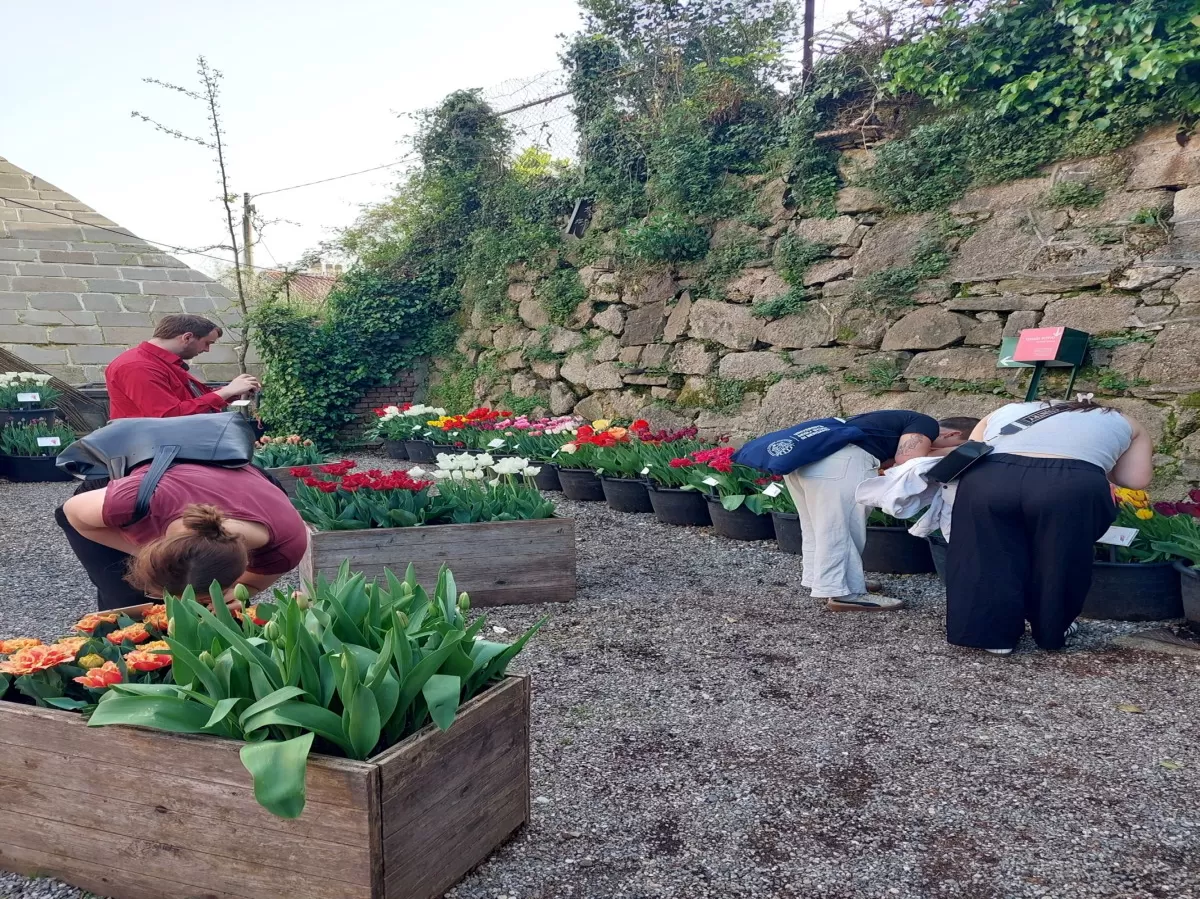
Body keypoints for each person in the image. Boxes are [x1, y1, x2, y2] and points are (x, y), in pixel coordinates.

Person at [945, 396, 1153, 655]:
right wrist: (1100, 461)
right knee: (1060, 557)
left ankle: (993, 637)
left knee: (985, 554)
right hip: (1069, 484)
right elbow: (1135, 479)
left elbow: (973, 450)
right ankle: (1053, 629)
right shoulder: (1126, 422)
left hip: (990, 479)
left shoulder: (1009, 410)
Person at [783, 411, 978, 613]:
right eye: (960, 446)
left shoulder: (890, 424)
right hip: (838, 464)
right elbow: (907, 460)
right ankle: (845, 594)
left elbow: (888, 461)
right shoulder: (925, 424)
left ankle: (825, 581)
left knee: (816, 524)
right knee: (844, 526)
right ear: (952, 435)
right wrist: (958, 452)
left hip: (805, 461)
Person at [57, 463, 308, 610]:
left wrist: (236, 595)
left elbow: (249, 586)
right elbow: (71, 513)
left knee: (217, 611)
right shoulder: (132, 502)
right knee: (125, 597)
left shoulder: (286, 545)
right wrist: (143, 554)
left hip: (239, 479)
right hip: (144, 476)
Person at [105, 314, 261, 420]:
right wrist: (226, 391)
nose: (207, 350)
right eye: (207, 343)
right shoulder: (137, 366)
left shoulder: (162, 363)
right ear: (187, 337)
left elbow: (192, 400)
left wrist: (233, 391)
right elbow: (169, 416)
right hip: (153, 455)